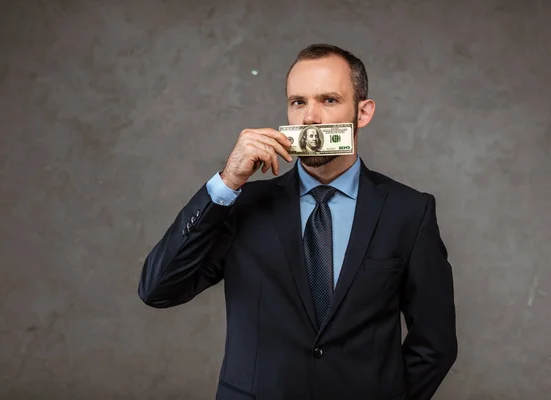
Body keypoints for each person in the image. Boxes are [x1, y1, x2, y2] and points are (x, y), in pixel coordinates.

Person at [138, 43, 457, 400]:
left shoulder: (408, 211)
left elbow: (435, 343)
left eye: (329, 100)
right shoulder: (243, 206)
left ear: (363, 113)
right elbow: (158, 289)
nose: (310, 118)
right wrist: (226, 183)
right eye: (298, 102)